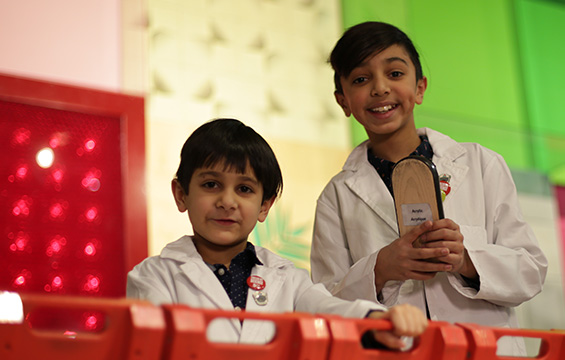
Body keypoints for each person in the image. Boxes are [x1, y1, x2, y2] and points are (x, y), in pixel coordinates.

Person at [310, 21, 548, 356]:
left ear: (420, 87)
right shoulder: (336, 197)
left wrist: (466, 260)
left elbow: (531, 272)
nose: (380, 89)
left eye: (395, 74)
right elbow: (322, 303)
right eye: (361, 79)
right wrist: (379, 270)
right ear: (343, 100)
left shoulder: (481, 164)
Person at [127, 118, 427, 347]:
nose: (227, 202)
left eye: (244, 189)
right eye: (211, 185)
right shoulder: (153, 277)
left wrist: (378, 318)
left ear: (264, 206)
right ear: (181, 194)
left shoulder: (289, 280)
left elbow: (330, 310)